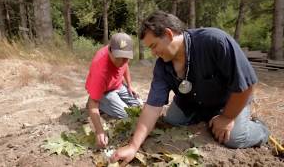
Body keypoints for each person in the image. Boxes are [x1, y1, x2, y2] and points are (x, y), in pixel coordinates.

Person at [110, 11, 269, 165]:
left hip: (229, 102)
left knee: (234, 138)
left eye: (154, 46)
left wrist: (227, 118)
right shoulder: (162, 66)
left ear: (169, 34)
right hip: (190, 102)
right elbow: (152, 106)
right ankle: (209, 118)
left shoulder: (214, 41)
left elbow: (247, 84)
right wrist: (133, 146)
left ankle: (260, 130)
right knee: (172, 121)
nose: (153, 53)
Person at [85, 33, 142, 148]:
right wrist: (100, 131)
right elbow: (93, 103)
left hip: (117, 85)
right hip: (105, 92)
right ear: (110, 50)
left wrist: (129, 85)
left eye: (125, 58)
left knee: (139, 106)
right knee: (126, 115)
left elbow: (125, 67)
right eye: (118, 58)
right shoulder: (100, 71)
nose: (121, 62)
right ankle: (99, 98)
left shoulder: (123, 57)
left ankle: (104, 99)